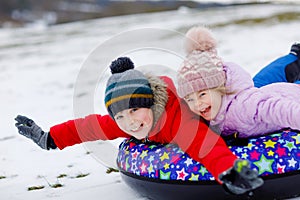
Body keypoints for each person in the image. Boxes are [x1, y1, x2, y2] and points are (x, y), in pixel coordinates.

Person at [15, 57, 263, 195]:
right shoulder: (127, 123)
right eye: (120, 116)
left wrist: (229, 170)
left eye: (135, 110)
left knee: (261, 87)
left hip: (228, 104)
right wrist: (48, 138)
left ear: (151, 102)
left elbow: (204, 144)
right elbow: (87, 126)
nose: (130, 122)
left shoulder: (176, 119)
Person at [177, 26, 300, 139]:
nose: (197, 103)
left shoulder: (243, 107)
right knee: (260, 84)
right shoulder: (207, 110)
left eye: (202, 94)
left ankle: (296, 56)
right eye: (190, 99)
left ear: (220, 88)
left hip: (293, 98)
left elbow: (280, 109)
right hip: (266, 93)